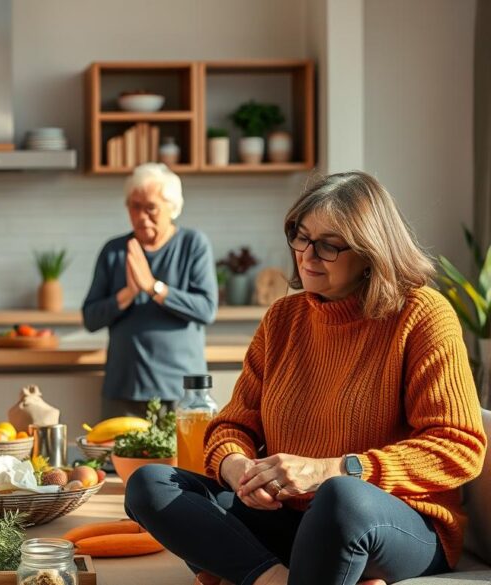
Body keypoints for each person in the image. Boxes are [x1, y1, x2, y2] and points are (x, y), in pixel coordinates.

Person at [124, 171, 488, 585]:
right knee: (151, 484)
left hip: (396, 525)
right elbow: (231, 424)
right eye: (301, 236)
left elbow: (460, 446)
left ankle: (246, 568)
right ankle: (271, 577)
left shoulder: (422, 315)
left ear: (372, 252)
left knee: (340, 497)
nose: (307, 255)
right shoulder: (283, 318)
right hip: (290, 519)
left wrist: (333, 469)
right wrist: (237, 468)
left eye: (329, 245)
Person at [82, 163, 218, 418]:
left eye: (151, 208)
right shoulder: (114, 251)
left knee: (182, 460)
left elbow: (206, 310)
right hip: (123, 391)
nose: (142, 216)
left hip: (181, 393)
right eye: (135, 206)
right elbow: (90, 318)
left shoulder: (193, 244)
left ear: (173, 208)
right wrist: (127, 294)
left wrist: (154, 288)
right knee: (115, 460)